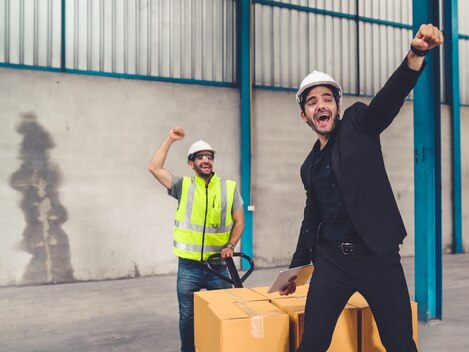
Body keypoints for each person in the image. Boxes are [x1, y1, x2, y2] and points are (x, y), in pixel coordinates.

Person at [279, 24, 444, 352]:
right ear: (305, 116)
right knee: (312, 342)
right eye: (312, 102)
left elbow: (389, 99)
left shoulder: (358, 124)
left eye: (327, 98)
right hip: (332, 262)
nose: (320, 105)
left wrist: (416, 55)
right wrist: (295, 271)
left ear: (337, 107)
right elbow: (311, 218)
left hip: (377, 257)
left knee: (399, 342)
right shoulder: (308, 166)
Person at [148, 127, 244, 352]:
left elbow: (239, 222)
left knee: (224, 313)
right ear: (191, 163)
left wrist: (230, 245)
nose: (206, 160)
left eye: (209, 157)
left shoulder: (228, 188)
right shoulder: (183, 186)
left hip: (217, 266)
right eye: (200, 157)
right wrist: (170, 139)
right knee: (188, 317)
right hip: (188, 267)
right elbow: (153, 167)